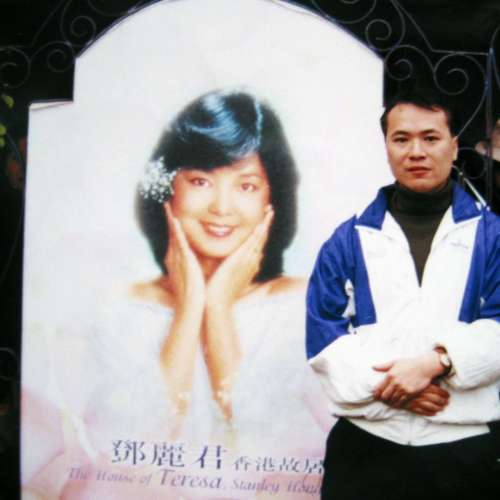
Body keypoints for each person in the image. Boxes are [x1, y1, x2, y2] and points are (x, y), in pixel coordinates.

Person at [306, 87, 500, 500]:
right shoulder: (348, 239)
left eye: (430, 138)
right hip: (366, 451)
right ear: (386, 147)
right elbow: (324, 341)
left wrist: (438, 362)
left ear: (454, 146)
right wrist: (398, 391)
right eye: (401, 139)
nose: (416, 152)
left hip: (463, 454)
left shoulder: (493, 237)